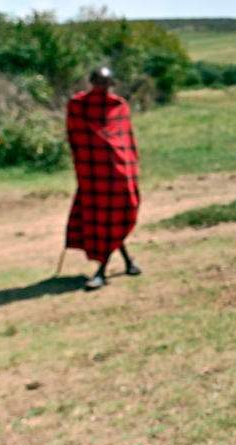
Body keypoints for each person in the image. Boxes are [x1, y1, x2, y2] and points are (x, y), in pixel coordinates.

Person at [65, 67, 141, 291]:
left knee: (117, 213)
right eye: (99, 83)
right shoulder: (78, 105)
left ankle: (124, 263)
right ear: (91, 82)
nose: (103, 88)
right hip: (94, 172)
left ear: (112, 84)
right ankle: (103, 270)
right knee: (104, 217)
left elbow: (126, 140)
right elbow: (76, 137)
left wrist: (129, 167)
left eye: (106, 83)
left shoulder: (119, 106)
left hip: (119, 172)